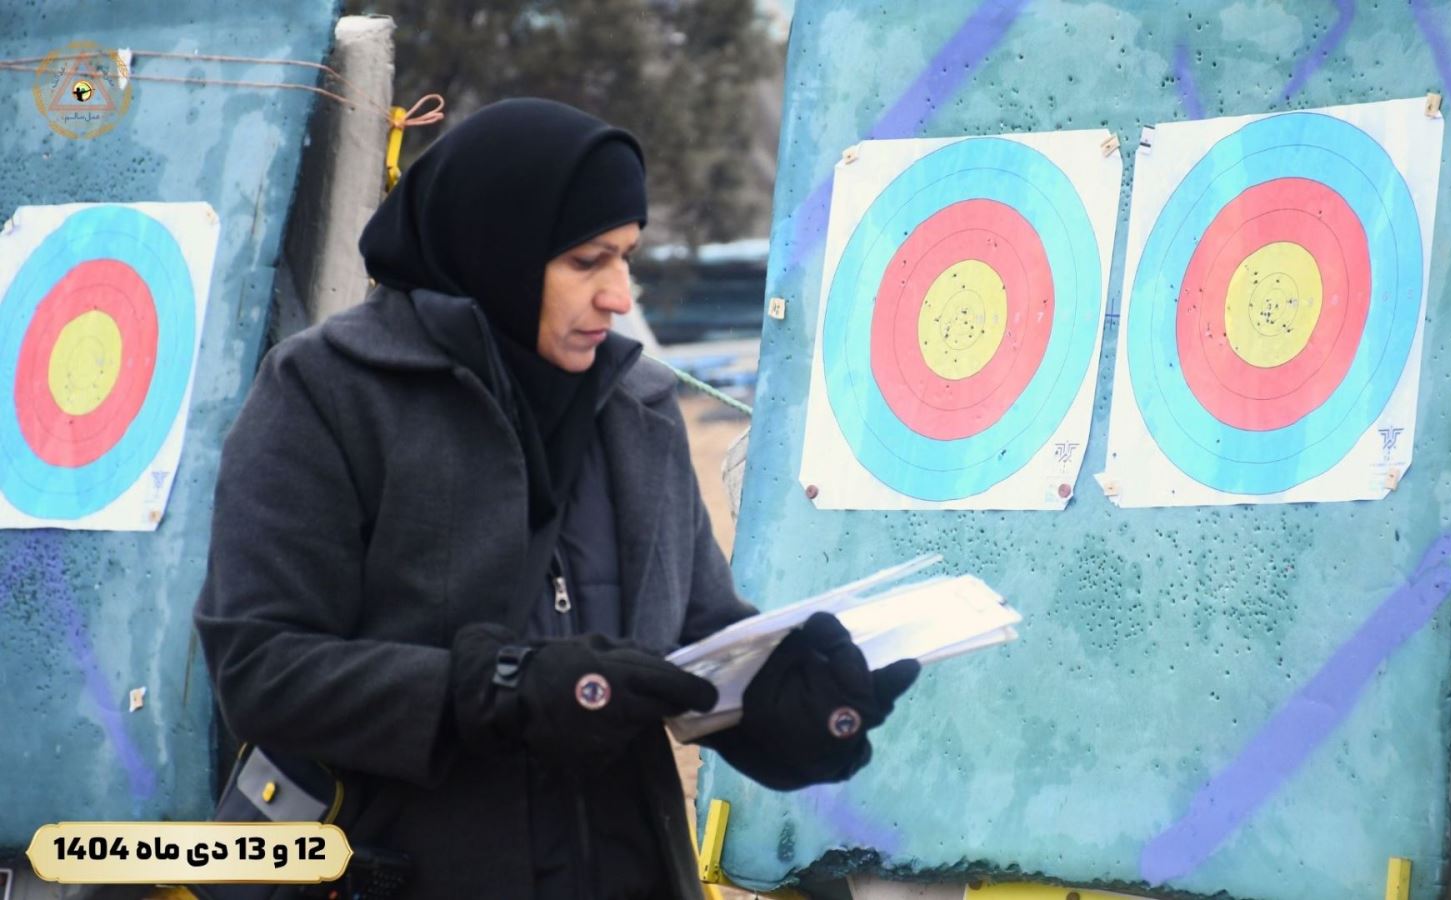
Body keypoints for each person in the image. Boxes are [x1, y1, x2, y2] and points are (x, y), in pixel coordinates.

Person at [193, 98, 920, 899]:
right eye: (586, 261)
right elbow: (261, 666)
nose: (618, 295)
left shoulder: (640, 409)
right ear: (496, 247)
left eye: (626, 258)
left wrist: (794, 710)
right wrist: (502, 688)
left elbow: (695, 643)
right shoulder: (326, 393)